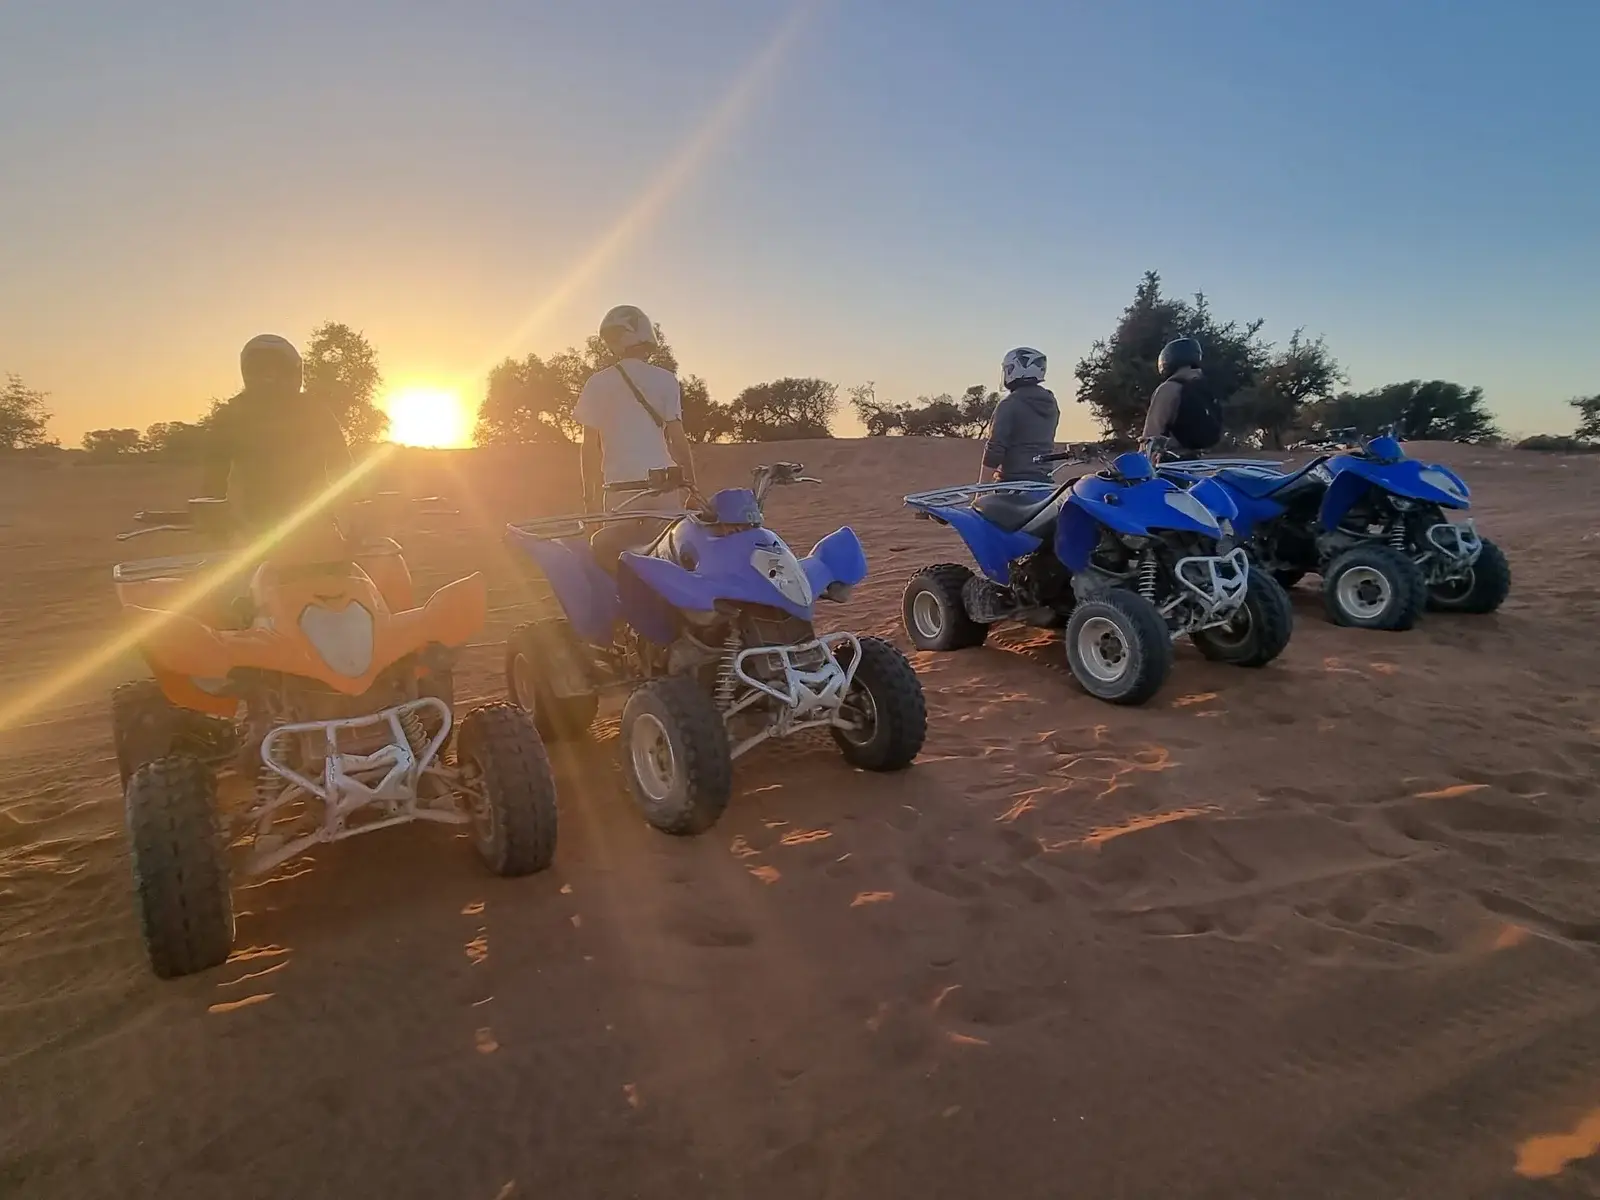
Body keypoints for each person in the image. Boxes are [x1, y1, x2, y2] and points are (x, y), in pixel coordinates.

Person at [575, 305, 700, 569]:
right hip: (665, 487)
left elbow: (589, 448)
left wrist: (590, 500)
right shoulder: (666, 380)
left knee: (621, 563)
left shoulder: (597, 383)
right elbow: (677, 439)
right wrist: (692, 487)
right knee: (671, 563)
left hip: (621, 490)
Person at [203, 334, 356, 537]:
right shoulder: (231, 416)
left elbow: (343, 467)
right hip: (252, 530)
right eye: (261, 370)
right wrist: (214, 520)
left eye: (278, 370)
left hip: (311, 525)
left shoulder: (315, 411)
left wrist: (350, 511)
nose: (270, 378)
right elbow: (213, 477)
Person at [981, 347, 1060, 484]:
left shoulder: (1010, 403)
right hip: (1044, 482)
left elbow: (995, 449)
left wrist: (981, 488)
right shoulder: (1051, 403)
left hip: (1014, 483)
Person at [1141, 337, 1222, 456]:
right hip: (1197, 459)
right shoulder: (1204, 386)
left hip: (1171, 458)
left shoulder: (1168, 388)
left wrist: (1143, 455)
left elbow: (1152, 434)